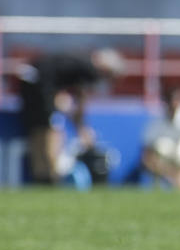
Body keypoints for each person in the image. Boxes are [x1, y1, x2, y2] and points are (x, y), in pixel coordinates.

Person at [16, 48, 124, 184]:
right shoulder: (89, 68)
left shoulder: (77, 60)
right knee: (51, 130)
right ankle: (51, 175)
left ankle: (40, 175)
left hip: (29, 80)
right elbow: (80, 100)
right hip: (42, 86)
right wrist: (81, 128)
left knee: (38, 129)